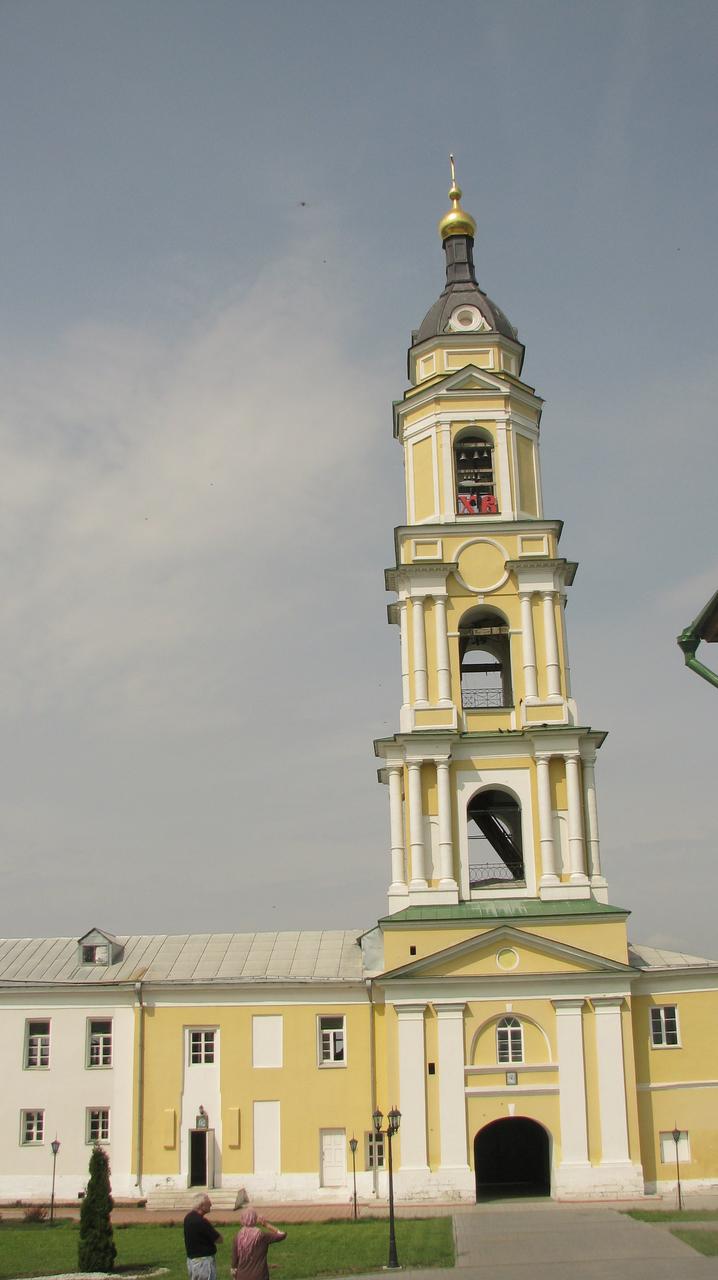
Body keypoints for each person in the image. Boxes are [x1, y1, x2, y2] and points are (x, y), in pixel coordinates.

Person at [230, 1207, 286, 1280]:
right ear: (255, 1219)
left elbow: (234, 1263)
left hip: (241, 1276)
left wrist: (234, 1276)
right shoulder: (262, 1236)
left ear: (242, 1219)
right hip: (260, 1276)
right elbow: (282, 1235)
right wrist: (266, 1225)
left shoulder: (237, 1237)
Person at [183, 1193, 223, 1280]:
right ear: (201, 1205)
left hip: (192, 1261)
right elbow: (219, 1239)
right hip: (204, 1263)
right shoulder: (201, 1221)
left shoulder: (188, 1217)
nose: (211, 1204)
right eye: (208, 1203)